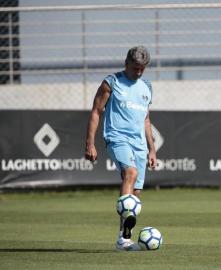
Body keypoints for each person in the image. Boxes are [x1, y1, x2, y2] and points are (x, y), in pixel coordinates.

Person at [84, 45, 157, 251]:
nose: (139, 72)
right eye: (135, 68)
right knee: (130, 173)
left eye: (143, 68)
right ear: (126, 64)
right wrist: (90, 143)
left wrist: (152, 149)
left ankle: (123, 239)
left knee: (136, 192)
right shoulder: (111, 82)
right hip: (117, 137)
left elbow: (146, 120)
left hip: (140, 144)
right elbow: (96, 112)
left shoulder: (147, 87)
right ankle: (126, 232)